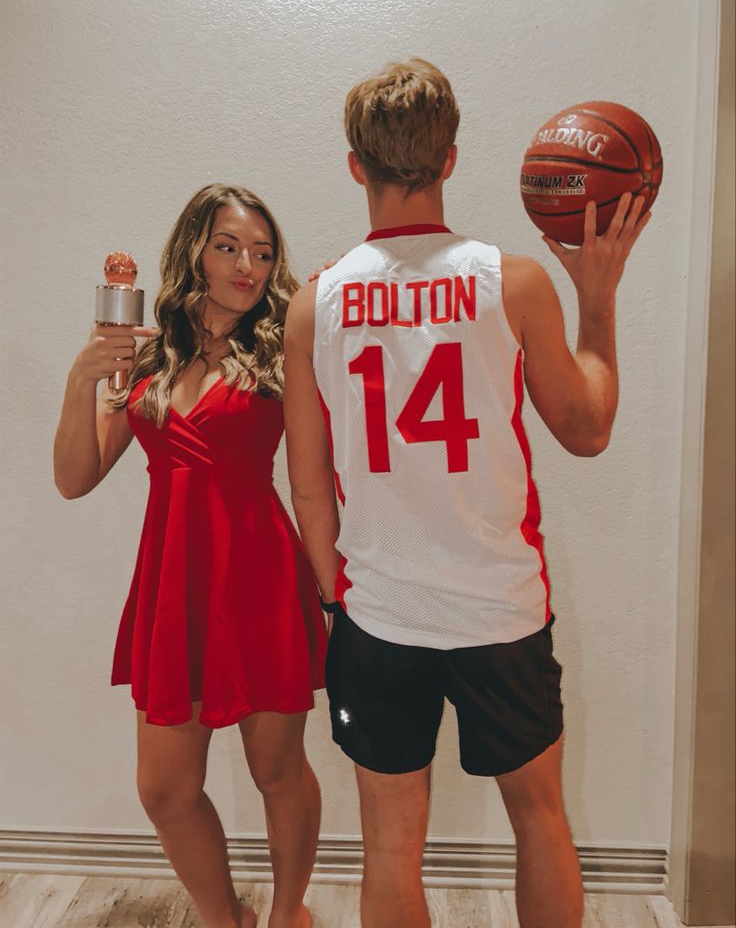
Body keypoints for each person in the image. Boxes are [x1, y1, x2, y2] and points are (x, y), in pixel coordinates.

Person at [283, 59, 650, 928]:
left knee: (389, 850)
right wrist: (597, 301)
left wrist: (342, 601)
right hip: (502, 614)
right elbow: (588, 428)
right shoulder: (512, 281)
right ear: (451, 159)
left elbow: (307, 484)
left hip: (380, 619)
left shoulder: (316, 303)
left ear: (352, 164)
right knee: (540, 819)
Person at [54, 183, 327, 928]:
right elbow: (75, 477)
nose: (248, 265)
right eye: (229, 247)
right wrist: (83, 378)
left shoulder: (284, 346)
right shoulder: (147, 356)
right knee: (165, 788)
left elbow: (321, 470)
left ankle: (285, 913)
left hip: (261, 573)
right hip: (176, 580)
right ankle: (222, 917)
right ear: (194, 253)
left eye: (263, 253)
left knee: (277, 769)